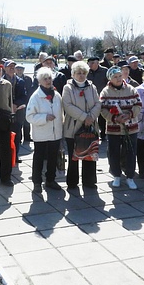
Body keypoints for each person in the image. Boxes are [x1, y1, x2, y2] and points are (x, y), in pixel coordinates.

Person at [100, 67, 142, 189]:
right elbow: (103, 109)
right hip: (114, 128)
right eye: (115, 77)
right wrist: (114, 118)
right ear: (110, 79)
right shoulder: (106, 92)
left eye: (119, 76)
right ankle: (116, 175)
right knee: (114, 152)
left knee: (130, 152)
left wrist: (130, 114)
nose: (118, 79)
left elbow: (138, 104)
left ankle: (130, 177)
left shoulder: (131, 89)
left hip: (130, 127)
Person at [62, 61, 102, 189]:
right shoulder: (67, 88)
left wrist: (91, 117)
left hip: (91, 126)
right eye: (78, 73)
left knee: (90, 154)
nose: (81, 75)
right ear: (73, 74)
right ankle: (72, 182)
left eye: (83, 73)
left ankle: (89, 181)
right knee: (73, 155)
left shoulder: (92, 87)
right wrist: (84, 117)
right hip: (73, 127)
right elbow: (67, 106)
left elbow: (98, 103)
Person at [26, 67, 64, 193]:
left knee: (53, 158)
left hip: (55, 133)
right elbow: (29, 116)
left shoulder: (57, 95)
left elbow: (61, 113)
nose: (48, 81)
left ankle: (50, 180)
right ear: (39, 81)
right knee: (39, 158)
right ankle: (37, 182)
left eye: (49, 78)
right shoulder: (35, 97)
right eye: (45, 79)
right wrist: (45, 117)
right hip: (41, 133)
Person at [3, 60, 28, 165]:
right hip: (5, 113)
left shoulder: (20, 81)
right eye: (9, 66)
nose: (12, 68)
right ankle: (6, 156)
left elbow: (24, 96)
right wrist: (9, 105)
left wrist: (16, 104)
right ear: (5, 68)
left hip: (18, 112)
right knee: (5, 135)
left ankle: (15, 155)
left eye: (13, 66)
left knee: (17, 134)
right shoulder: (1, 80)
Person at [87, 56, 109, 140]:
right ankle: (91, 133)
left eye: (93, 63)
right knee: (91, 116)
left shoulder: (104, 71)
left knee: (102, 117)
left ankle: (103, 133)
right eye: (89, 63)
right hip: (90, 98)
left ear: (98, 63)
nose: (91, 65)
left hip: (102, 97)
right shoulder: (87, 72)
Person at [15, 63, 34, 143]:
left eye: (21, 69)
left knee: (27, 120)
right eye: (18, 69)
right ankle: (18, 138)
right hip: (17, 103)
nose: (19, 70)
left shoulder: (28, 79)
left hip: (27, 102)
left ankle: (27, 137)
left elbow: (31, 90)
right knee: (18, 121)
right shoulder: (13, 78)